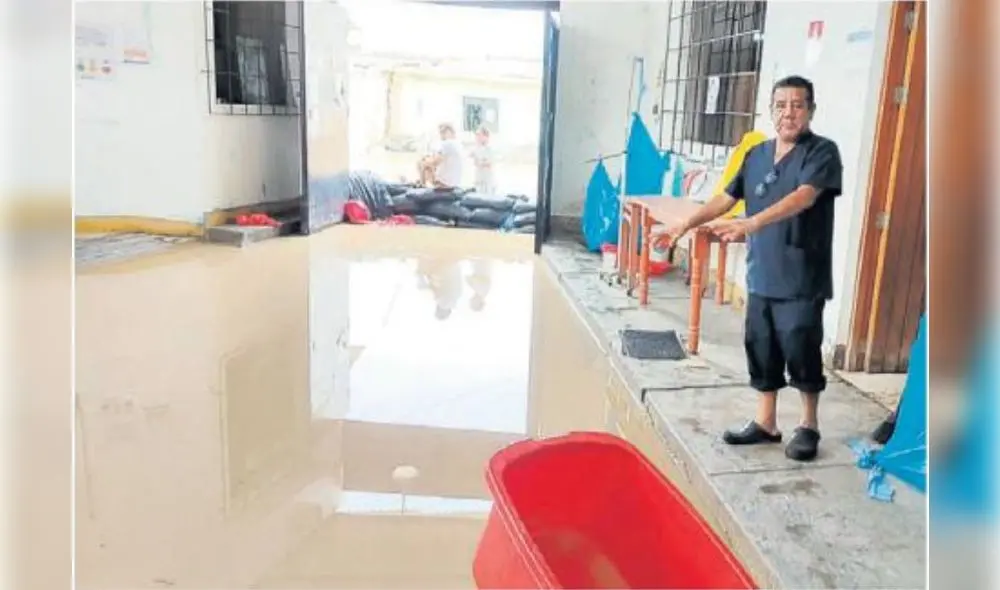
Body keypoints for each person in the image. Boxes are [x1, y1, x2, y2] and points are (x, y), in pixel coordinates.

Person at [655, 75, 843, 461]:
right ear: (771, 110)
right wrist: (686, 224)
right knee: (762, 347)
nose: (788, 112)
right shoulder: (756, 155)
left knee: (801, 346)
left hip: (801, 274)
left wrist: (752, 223)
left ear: (810, 110)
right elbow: (726, 197)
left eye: (797, 104)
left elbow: (803, 197)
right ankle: (766, 423)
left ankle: (808, 426)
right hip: (762, 272)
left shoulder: (822, 153)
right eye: (780, 105)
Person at [418, 122, 464, 189]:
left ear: (449, 131)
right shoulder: (459, 144)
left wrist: (425, 162)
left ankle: (422, 185)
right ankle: (422, 185)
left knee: (422, 163)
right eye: (440, 132)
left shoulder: (448, 143)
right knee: (425, 164)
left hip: (445, 185)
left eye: (443, 132)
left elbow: (435, 162)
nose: (441, 134)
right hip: (455, 184)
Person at [470, 126, 497, 195]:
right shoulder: (475, 148)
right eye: (476, 135)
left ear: (485, 136)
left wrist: (480, 163)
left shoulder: (490, 148)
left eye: (479, 135)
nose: (477, 137)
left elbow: (489, 163)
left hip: (488, 181)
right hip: (478, 180)